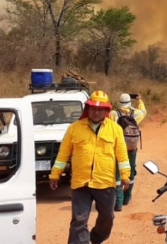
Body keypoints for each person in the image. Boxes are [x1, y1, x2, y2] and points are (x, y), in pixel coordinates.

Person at [49, 90, 131, 244]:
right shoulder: (74, 128)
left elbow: (122, 156)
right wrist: (55, 174)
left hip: (105, 182)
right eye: (93, 108)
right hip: (81, 183)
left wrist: (125, 176)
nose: (96, 112)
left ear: (106, 111)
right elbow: (62, 154)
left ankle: (96, 238)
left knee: (107, 217)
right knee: (79, 220)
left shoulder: (115, 129)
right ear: (87, 109)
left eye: (100, 109)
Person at [109, 92, 147, 211]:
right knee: (130, 171)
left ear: (119, 102)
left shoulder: (114, 114)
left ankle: (118, 202)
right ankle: (127, 198)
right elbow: (143, 111)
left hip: (118, 148)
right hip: (131, 148)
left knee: (117, 174)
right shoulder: (136, 113)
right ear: (130, 102)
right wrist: (139, 100)